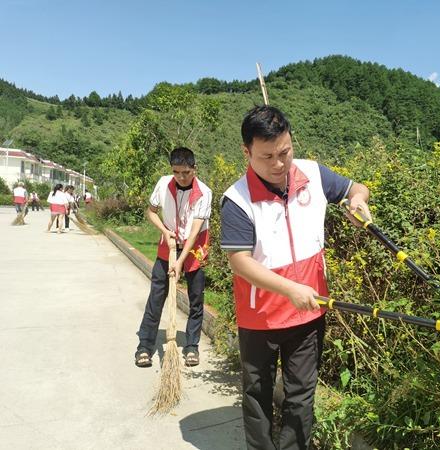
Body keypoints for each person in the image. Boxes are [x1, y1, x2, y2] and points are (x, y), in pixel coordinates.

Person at [220, 105, 371, 450]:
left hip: (309, 309)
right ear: (247, 152)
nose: (278, 164)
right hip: (260, 317)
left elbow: (356, 188)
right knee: (257, 394)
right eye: (267, 156)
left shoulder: (313, 174)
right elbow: (240, 262)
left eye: (285, 152)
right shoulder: (237, 199)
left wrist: (358, 202)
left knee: (301, 395)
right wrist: (288, 288)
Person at [135, 147, 212, 368]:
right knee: (156, 296)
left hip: (194, 246)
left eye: (186, 172)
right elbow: (151, 211)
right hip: (168, 244)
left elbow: (196, 230)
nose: (181, 177)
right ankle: (145, 346)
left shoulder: (204, 193)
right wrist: (164, 231)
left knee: (195, 299)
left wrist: (180, 261)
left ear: (194, 169)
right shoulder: (163, 184)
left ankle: (191, 347)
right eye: (176, 171)